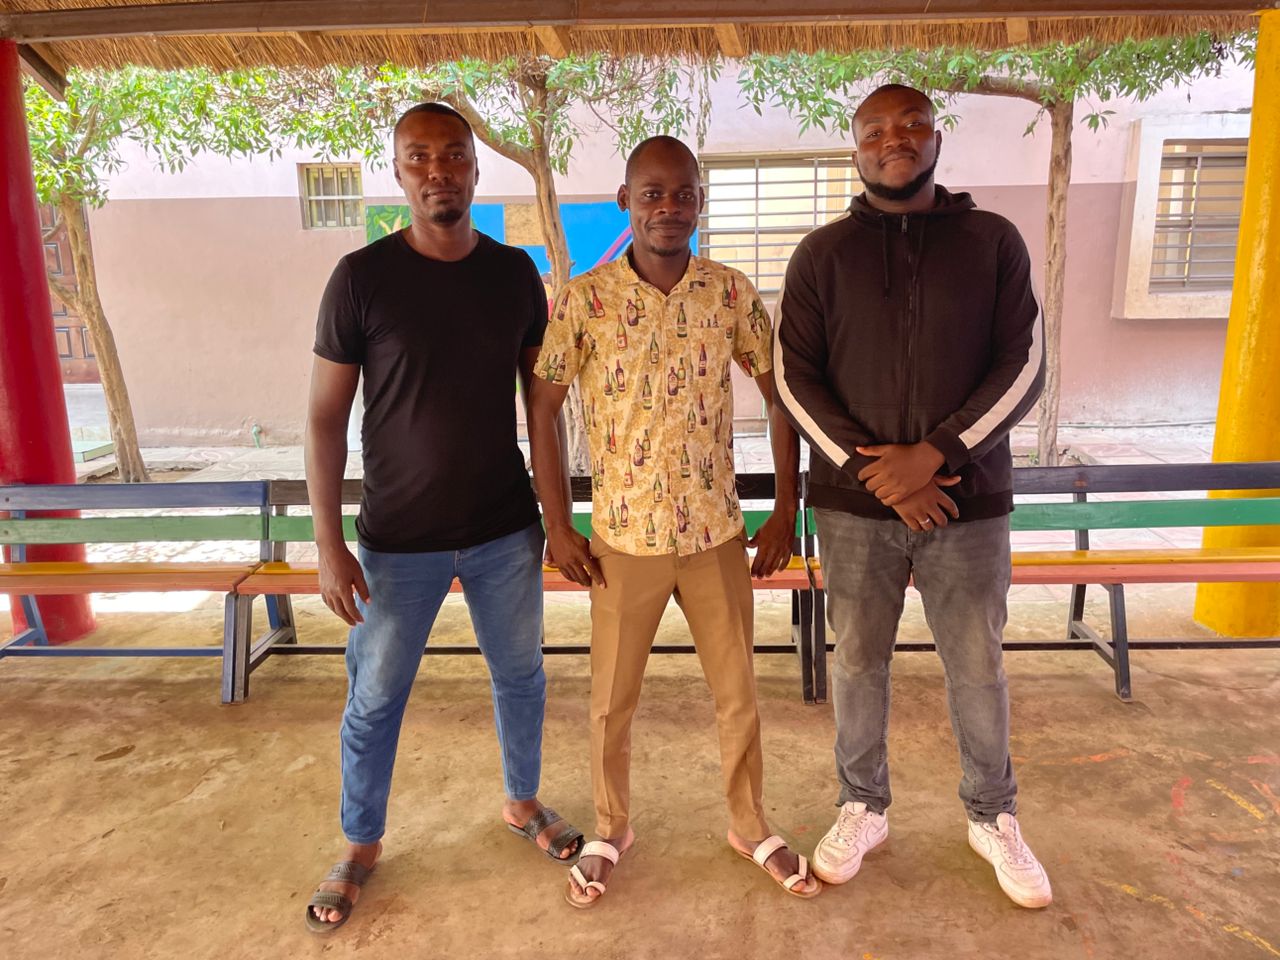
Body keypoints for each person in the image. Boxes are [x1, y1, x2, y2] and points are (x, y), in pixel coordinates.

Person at [302, 102, 582, 933]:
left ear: (473, 167)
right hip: (396, 542)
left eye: (453, 154)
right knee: (376, 698)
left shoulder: (513, 274)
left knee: (521, 678)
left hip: (503, 530)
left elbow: (542, 407)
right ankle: (360, 844)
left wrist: (558, 520)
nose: (438, 171)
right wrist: (328, 545)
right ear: (398, 172)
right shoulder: (361, 278)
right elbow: (324, 418)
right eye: (419, 157)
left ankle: (522, 801)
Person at [773, 83, 1052, 908]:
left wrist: (934, 455)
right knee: (859, 663)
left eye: (911, 125)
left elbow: (1023, 366)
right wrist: (879, 475)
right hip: (855, 510)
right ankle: (863, 806)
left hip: (967, 502)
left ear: (936, 138)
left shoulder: (992, 241)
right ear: (855, 147)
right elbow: (794, 377)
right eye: (875, 130)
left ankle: (993, 816)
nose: (894, 139)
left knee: (977, 664)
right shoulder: (821, 255)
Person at [527, 135, 820, 908]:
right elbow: (543, 407)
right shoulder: (585, 300)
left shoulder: (729, 292)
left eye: (683, 193)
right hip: (624, 540)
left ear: (699, 201)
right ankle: (611, 829)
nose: (669, 207)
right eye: (652, 194)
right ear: (626, 201)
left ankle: (749, 825)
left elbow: (779, 396)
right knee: (610, 702)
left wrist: (785, 505)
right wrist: (558, 524)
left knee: (738, 692)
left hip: (715, 534)